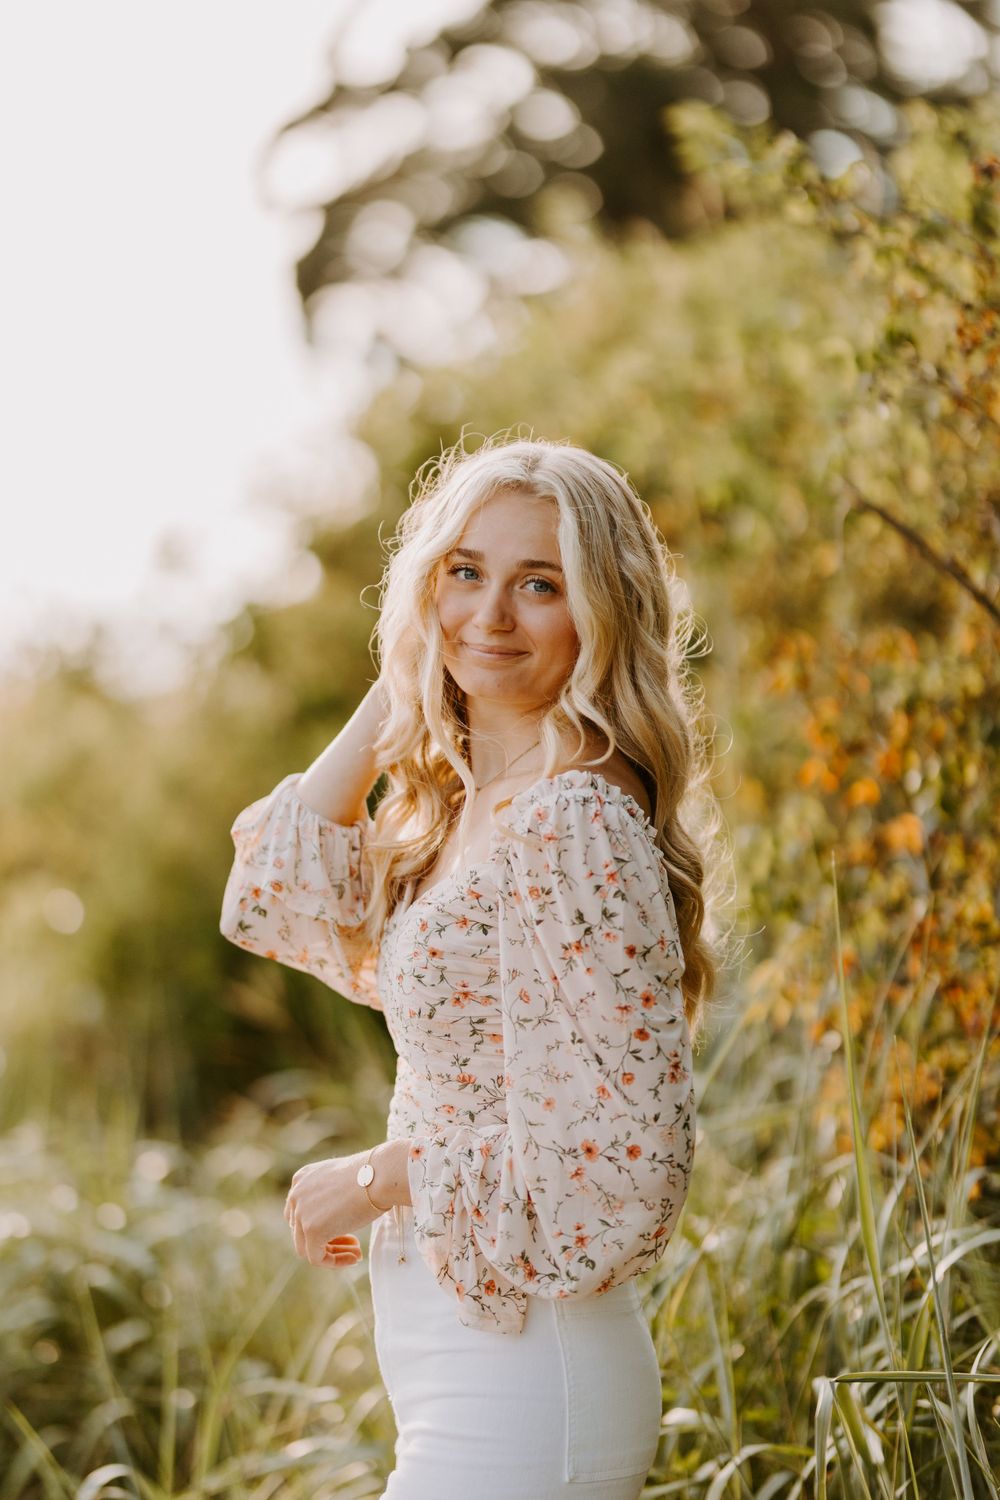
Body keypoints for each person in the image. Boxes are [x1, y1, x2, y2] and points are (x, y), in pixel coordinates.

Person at [219, 433, 729, 1498]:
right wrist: (409, 666)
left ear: (602, 610)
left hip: (529, 1381)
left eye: (537, 584)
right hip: (460, 1359)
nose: (490, 616)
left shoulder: (572, 820)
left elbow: (624, 1168)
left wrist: (378, 1178)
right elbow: (276, 893)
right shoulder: (467, 812)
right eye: (464, 573)